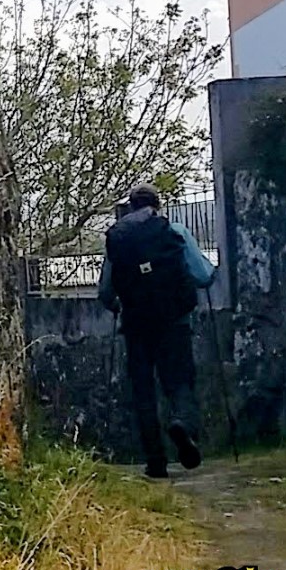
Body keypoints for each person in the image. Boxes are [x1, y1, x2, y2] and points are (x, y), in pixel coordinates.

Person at [98, 183, 215, 479]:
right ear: (156, 205)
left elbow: (106, 291)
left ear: (130, 207)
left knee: (143, 391)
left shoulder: (121, 238)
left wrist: (117, 304)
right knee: (180, 381)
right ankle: (181, 424)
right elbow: (202, 275)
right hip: (175, 321)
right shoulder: (173, 230)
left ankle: (156, 461)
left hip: (137, 324)